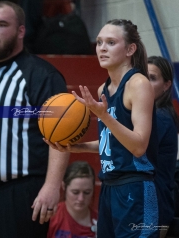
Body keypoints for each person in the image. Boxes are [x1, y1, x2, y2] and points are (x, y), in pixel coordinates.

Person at [45, 19, 160, 237]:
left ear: (130, 49)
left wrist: (103, 115)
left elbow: (138, 146)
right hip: (109, 188)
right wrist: (75, 148)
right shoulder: (102, 89)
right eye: (99, 42)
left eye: (110, 42)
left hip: (135, 188)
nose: (102, 48)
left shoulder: (138, 84)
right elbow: (113, 143)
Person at [0, 0, 70, 238]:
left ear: (21, 31)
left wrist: (52, 186)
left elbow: (61, 134)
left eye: (2, 24)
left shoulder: (42, 75)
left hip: (21, 191)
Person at [148, 56, 178, 237]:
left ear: (166, 85)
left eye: (151, 78)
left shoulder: (161, 117)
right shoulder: (150, 114)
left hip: (155, 206)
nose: (144, 83)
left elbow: (126, 147)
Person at [47, 161, 98, 238]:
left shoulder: (101, 222)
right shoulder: (51, 217)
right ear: (64, 186)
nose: (81, 199)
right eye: (75, 192)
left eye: (87, 192)